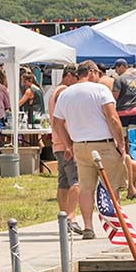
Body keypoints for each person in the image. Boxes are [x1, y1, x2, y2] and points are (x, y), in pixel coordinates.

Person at [50, 60, 128, 239]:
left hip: (80, 145)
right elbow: (113, 118)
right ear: (92, 72)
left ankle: (88, 226)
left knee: (86, 188)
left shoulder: (65, 93)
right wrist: (120, 142)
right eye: (98, 74)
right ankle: (117, 224)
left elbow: (57, 123)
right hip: (104, 143)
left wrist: (69, 145)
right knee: (112, 186)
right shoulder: (100, 90)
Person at [47, 66, 82, 233]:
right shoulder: (64, 92)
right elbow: (62, 120)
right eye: (76, 77)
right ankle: (71, 216)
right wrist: (70, 144)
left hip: (58, 142)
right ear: (69, 75)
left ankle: (63, 216)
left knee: (63, 181)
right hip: (66, 142)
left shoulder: (55, 91)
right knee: (76, 180)